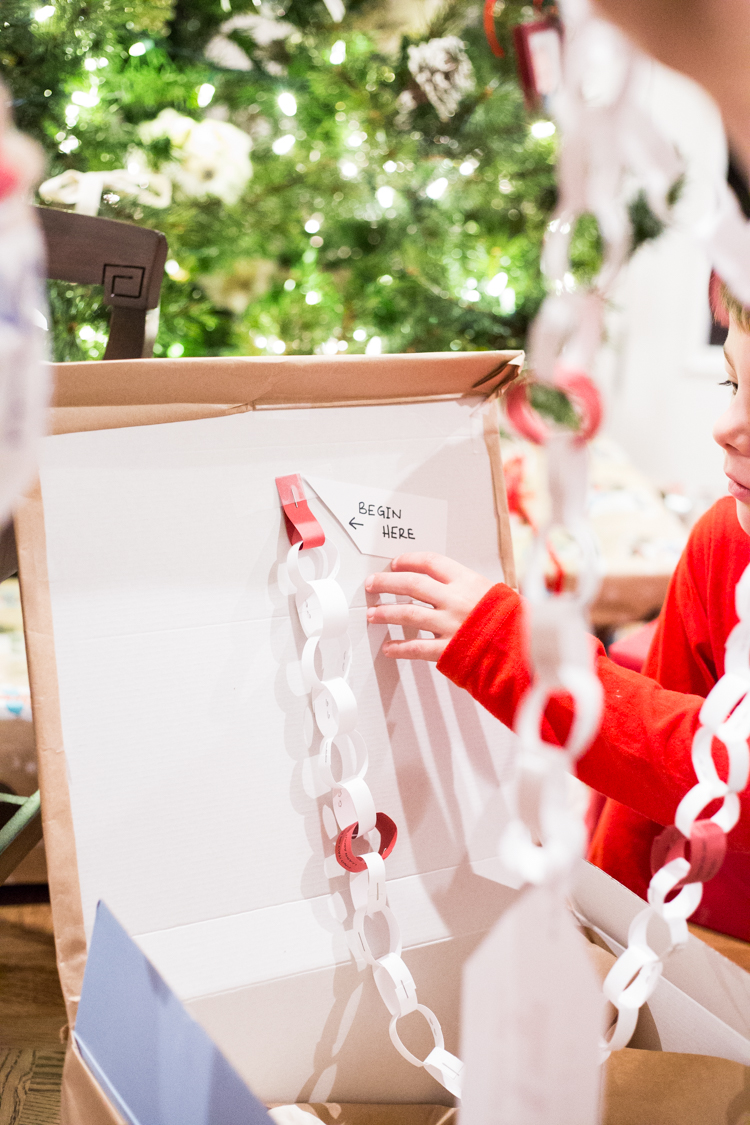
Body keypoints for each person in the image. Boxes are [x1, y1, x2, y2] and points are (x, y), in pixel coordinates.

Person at [364, 284, 750, 942]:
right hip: (691, 936)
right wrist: (608, 929)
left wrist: (505, 645)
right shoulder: (722, 540)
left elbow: (717, 767)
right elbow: (638, 795)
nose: (724, 425)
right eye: (731, 382)